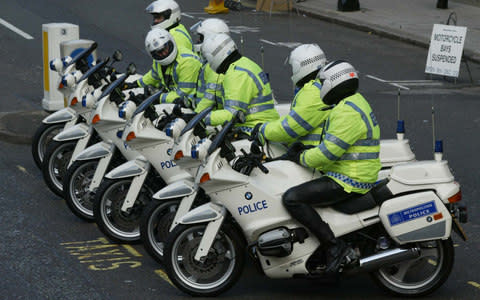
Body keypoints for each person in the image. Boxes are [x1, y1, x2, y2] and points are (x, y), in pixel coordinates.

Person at [282, 60, 381, 273]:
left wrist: (299, 158)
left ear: (334, 82)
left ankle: (335, 247)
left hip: (349, 179)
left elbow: (327, 154)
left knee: (292, 198)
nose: (320, 87)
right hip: (352, 173)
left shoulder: (347, 112)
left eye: (323, 82)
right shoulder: (353, 102)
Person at [251, 44, 329, 147]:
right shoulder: (324, 86)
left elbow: (289, 129)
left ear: (299, 67)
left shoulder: (313, 92)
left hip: (309, 155)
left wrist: (262, 129)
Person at [200, 33, 279, 134]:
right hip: (260, 125)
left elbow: (231, 113)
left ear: (215, 56)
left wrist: (203, 118)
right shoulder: (244, 64)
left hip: (254, 129)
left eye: (208, 59)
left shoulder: (236, 74)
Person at [125, 0, 194, 90]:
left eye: (158, 18)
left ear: (170, 15)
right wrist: (136, 84)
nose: (155, 21)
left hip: (178, 92)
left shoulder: (176, 38)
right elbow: (157, 72)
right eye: (154, 18)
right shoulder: (171, 32)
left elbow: (178, 72)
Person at [143, 28, 202, 104]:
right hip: (176, 99)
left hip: (192, 103)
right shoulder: (157, 62)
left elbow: (184, 93)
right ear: (153, 54)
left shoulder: (187, 62)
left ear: (171, 42)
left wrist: (158, 98)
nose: (164, 54)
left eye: (165, 49)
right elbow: (153, 77)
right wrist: (134, 84)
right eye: (159, 52)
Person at [189, 18, 229, 113]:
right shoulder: (209, 61)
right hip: (203, 110)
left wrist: (194, 115)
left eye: (201, 37)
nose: (198, 40)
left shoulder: (215, 66)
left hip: (210, 116)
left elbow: (209, 99)